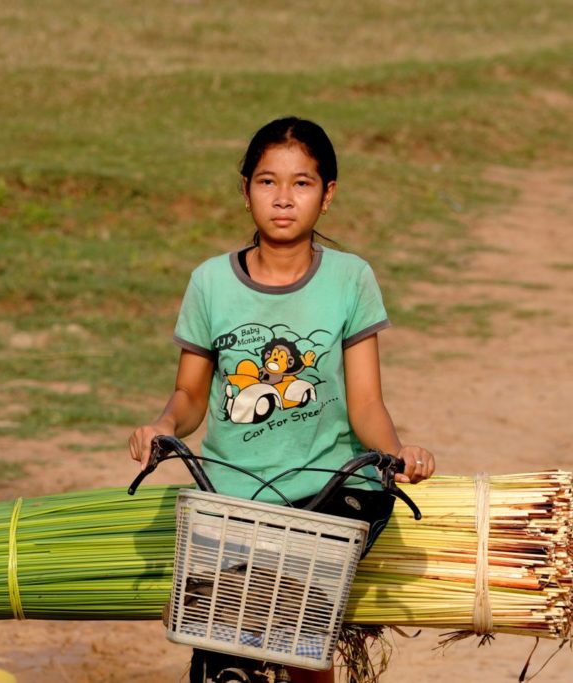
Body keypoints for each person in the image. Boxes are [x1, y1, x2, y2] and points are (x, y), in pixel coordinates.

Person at [128, 117, 436, 683]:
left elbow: (367, 402)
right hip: (233, 497)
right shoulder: (210, 283)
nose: (284, 199)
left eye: (302, 183)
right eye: (268, 182)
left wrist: (395, 453)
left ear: (328, 195)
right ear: (245, 191)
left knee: (298, 636)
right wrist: (163, 424)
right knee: (223, 661)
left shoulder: (350, 279)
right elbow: (191, 394)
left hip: (330, 495)